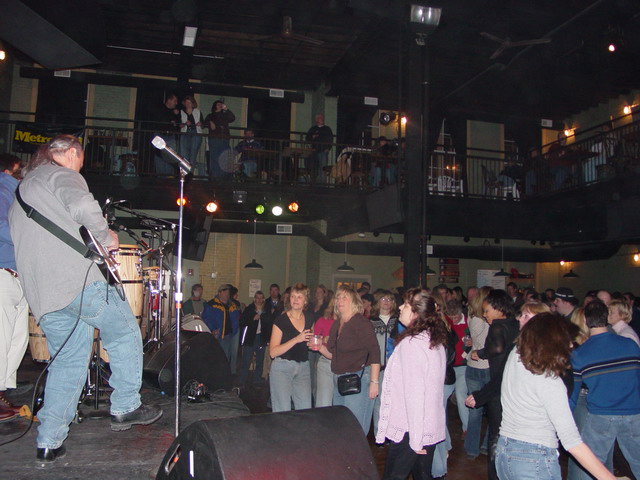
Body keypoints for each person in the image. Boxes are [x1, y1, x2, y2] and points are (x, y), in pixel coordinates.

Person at [9, 135, 162, 467]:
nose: (79, 168)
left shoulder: (22, 191)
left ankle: (49, 442)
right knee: (124, 331)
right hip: (76, 282)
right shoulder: (59, 174)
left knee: (67, 364)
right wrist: (107, 237)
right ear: (69, 153)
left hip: (43, 296)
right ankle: (126, 405)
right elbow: (83, 205)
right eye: (79, 160)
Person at [496, 313, 616, 480]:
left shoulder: (515, 356)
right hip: (534, 459)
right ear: (552, 342)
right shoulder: (549, 382)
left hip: (504, 453)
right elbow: (572, 442)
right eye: (567, 340)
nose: (571, 345)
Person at [376, 288, 448, 480]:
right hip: (425, 426)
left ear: (416, 313)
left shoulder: (412, 345)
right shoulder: (433, 339)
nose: (400, 307)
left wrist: (416, 441)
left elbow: (415, 396)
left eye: (406, 305)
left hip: (410, 429)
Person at [569, 300, 640, 479]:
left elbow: (573, 394)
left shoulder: (579, 354)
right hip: (634, 414)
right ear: (607, 318)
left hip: (601, 415)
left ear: (586, 320)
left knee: (590, 467)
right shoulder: (630, 345)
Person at [464, 289, 519, 480]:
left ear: (498, 308)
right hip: (512, 386)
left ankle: (495, 474)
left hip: (498, 385)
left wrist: (479, 353)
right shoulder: (515, 324)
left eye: (487, 311)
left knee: (496, 433)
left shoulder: (497, 326)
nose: (485, 314)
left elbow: (496, 348)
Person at [320, 285, 381, 433]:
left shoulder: (360, 322)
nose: (340, 300)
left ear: (354, 301)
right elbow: (334, 354)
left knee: (356, 428)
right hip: (339, 379)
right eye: (338, 297)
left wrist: (374, 382)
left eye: (344, 297)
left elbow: (375, 352)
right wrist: (319, 347)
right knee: (342, 425)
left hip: (358, 378)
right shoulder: (337, 324)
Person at [0, 154, 28, 422]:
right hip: (3, 274)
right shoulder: (3, 189)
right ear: (9, 171)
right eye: (21, 170)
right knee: (3, 338)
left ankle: (2, 393)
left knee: (16, 339)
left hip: (16, 276)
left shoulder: (14, 194)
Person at [268, 283, 314, 412]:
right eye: (293, 296)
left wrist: (314, 343)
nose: (295, 299)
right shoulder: (281, 320)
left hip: (303, 367)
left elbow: (309, 341)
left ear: (305, 301)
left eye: (299, 297)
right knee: (282, 410)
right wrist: (296, 339)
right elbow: (273, 352)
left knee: (305, 410)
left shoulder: (310, 317)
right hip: (282, 368)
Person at [464, 286, 491, 458]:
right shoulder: (489, 320)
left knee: (475, 410)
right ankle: (485, 446)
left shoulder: (473, 317)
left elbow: (474, 340)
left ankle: (472, 449)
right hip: (486, 365)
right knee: (492, 408)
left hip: (474, 365)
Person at [370, 290, 399, 435]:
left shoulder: (398, 321)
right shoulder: (371, 321)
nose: (386, 302)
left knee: (395, 402)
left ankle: (393, 433)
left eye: (389, 299)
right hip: (378, 367)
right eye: (383, 299)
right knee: (379, 402)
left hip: (396, 368)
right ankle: (379, 434)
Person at [203, 284, 240, 374]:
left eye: (228, 292)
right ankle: (223, 373)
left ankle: (232, 372)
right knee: (225, 354)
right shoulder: (212, 304)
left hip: (233, 332)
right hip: (222, 333)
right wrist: (213, 329)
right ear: (219, 293)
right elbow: (207, 318)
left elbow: (237, 317)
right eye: (225, 292)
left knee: (234, 353)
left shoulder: (233, 304)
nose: (227, 294)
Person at [238, 291, 271, 385]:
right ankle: (242, 381)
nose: (259, 300)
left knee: (260, 361)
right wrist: (252, 319)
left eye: (261, 298)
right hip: (250, 338)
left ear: (263, 299)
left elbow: (270, 324)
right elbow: (242, 322)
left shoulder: (266, 310)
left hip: (261, 338)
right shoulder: (249, 309)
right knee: (246, 360)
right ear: (254, 299)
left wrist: (268, 339)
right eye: (257, 297)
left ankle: (257, 380)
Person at [312, 298, 336, 407]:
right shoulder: (323, 320)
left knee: (341, 403)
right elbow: (313, 340)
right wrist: (322, 339)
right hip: (326, 361)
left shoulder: (349, 321)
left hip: (346, 363)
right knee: (324, 402)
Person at [205, 100, 236, 178]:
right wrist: (210, 122)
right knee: (215, 158)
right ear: (215, 106)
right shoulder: (210, 116)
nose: (220, 105)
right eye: (218, 104)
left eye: (221, 104)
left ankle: (222, 177)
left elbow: (232, 118)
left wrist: (226, 109)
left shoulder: (224, 115)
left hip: (224, 139)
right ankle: (215, 177)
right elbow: (204, 124)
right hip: (214, 139)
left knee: (223, 157)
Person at [153, 93, 181, 175]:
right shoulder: (160, 109)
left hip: (170, 136)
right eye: (175, 101)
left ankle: (169, 177)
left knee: (170, 156)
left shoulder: (175, 112)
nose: (176, 103)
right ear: (169, 100)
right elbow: (159, 121)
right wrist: (170, 122)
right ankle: (161, 177)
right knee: (159, 156)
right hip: (160, 135)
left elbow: (178, 124)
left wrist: (177, 115)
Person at [178, 95, 204, 176]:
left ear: (193, 104)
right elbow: (179, 125)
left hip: (195, 133)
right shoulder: (181, 112)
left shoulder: (197, 111)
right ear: (184, 103)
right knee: (184, 155)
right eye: (186, 103)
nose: (188, 104)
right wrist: (185, 124)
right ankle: (184, 174)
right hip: (185, 133)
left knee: (193, 155)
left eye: (190, 103)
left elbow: (203, 124)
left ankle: (190, 175)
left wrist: (200, 124)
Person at [305, 114, 333, 183]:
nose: (321, 119)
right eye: (319, 118)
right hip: (314, 151)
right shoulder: (313, 129)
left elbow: (330, 139)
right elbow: (307, 138)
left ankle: (322, 183)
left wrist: (328, 148)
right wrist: (312, 137)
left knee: (322, 167)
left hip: (323, 150)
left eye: (322, 118)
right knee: (313, 166)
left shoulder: (327, 129)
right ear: (316, 120)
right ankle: (313, 181)